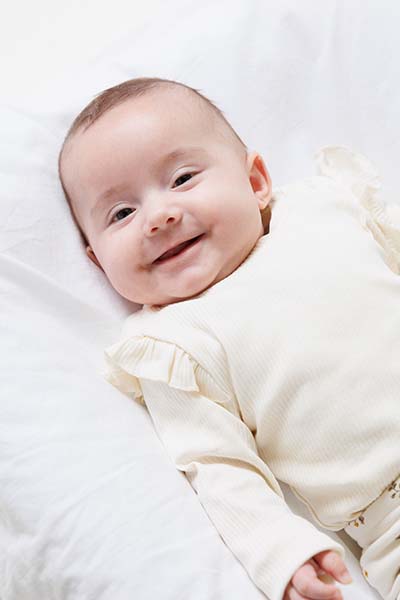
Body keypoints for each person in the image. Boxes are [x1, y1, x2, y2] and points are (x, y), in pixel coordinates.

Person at [58, 77, 400, 600]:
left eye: (182, 178)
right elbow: (217, 467)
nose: (159, 217)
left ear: (256, 180)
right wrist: (280, 551)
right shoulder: (175, 346)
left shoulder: (322, 208)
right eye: (122, 213)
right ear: (98, 262)